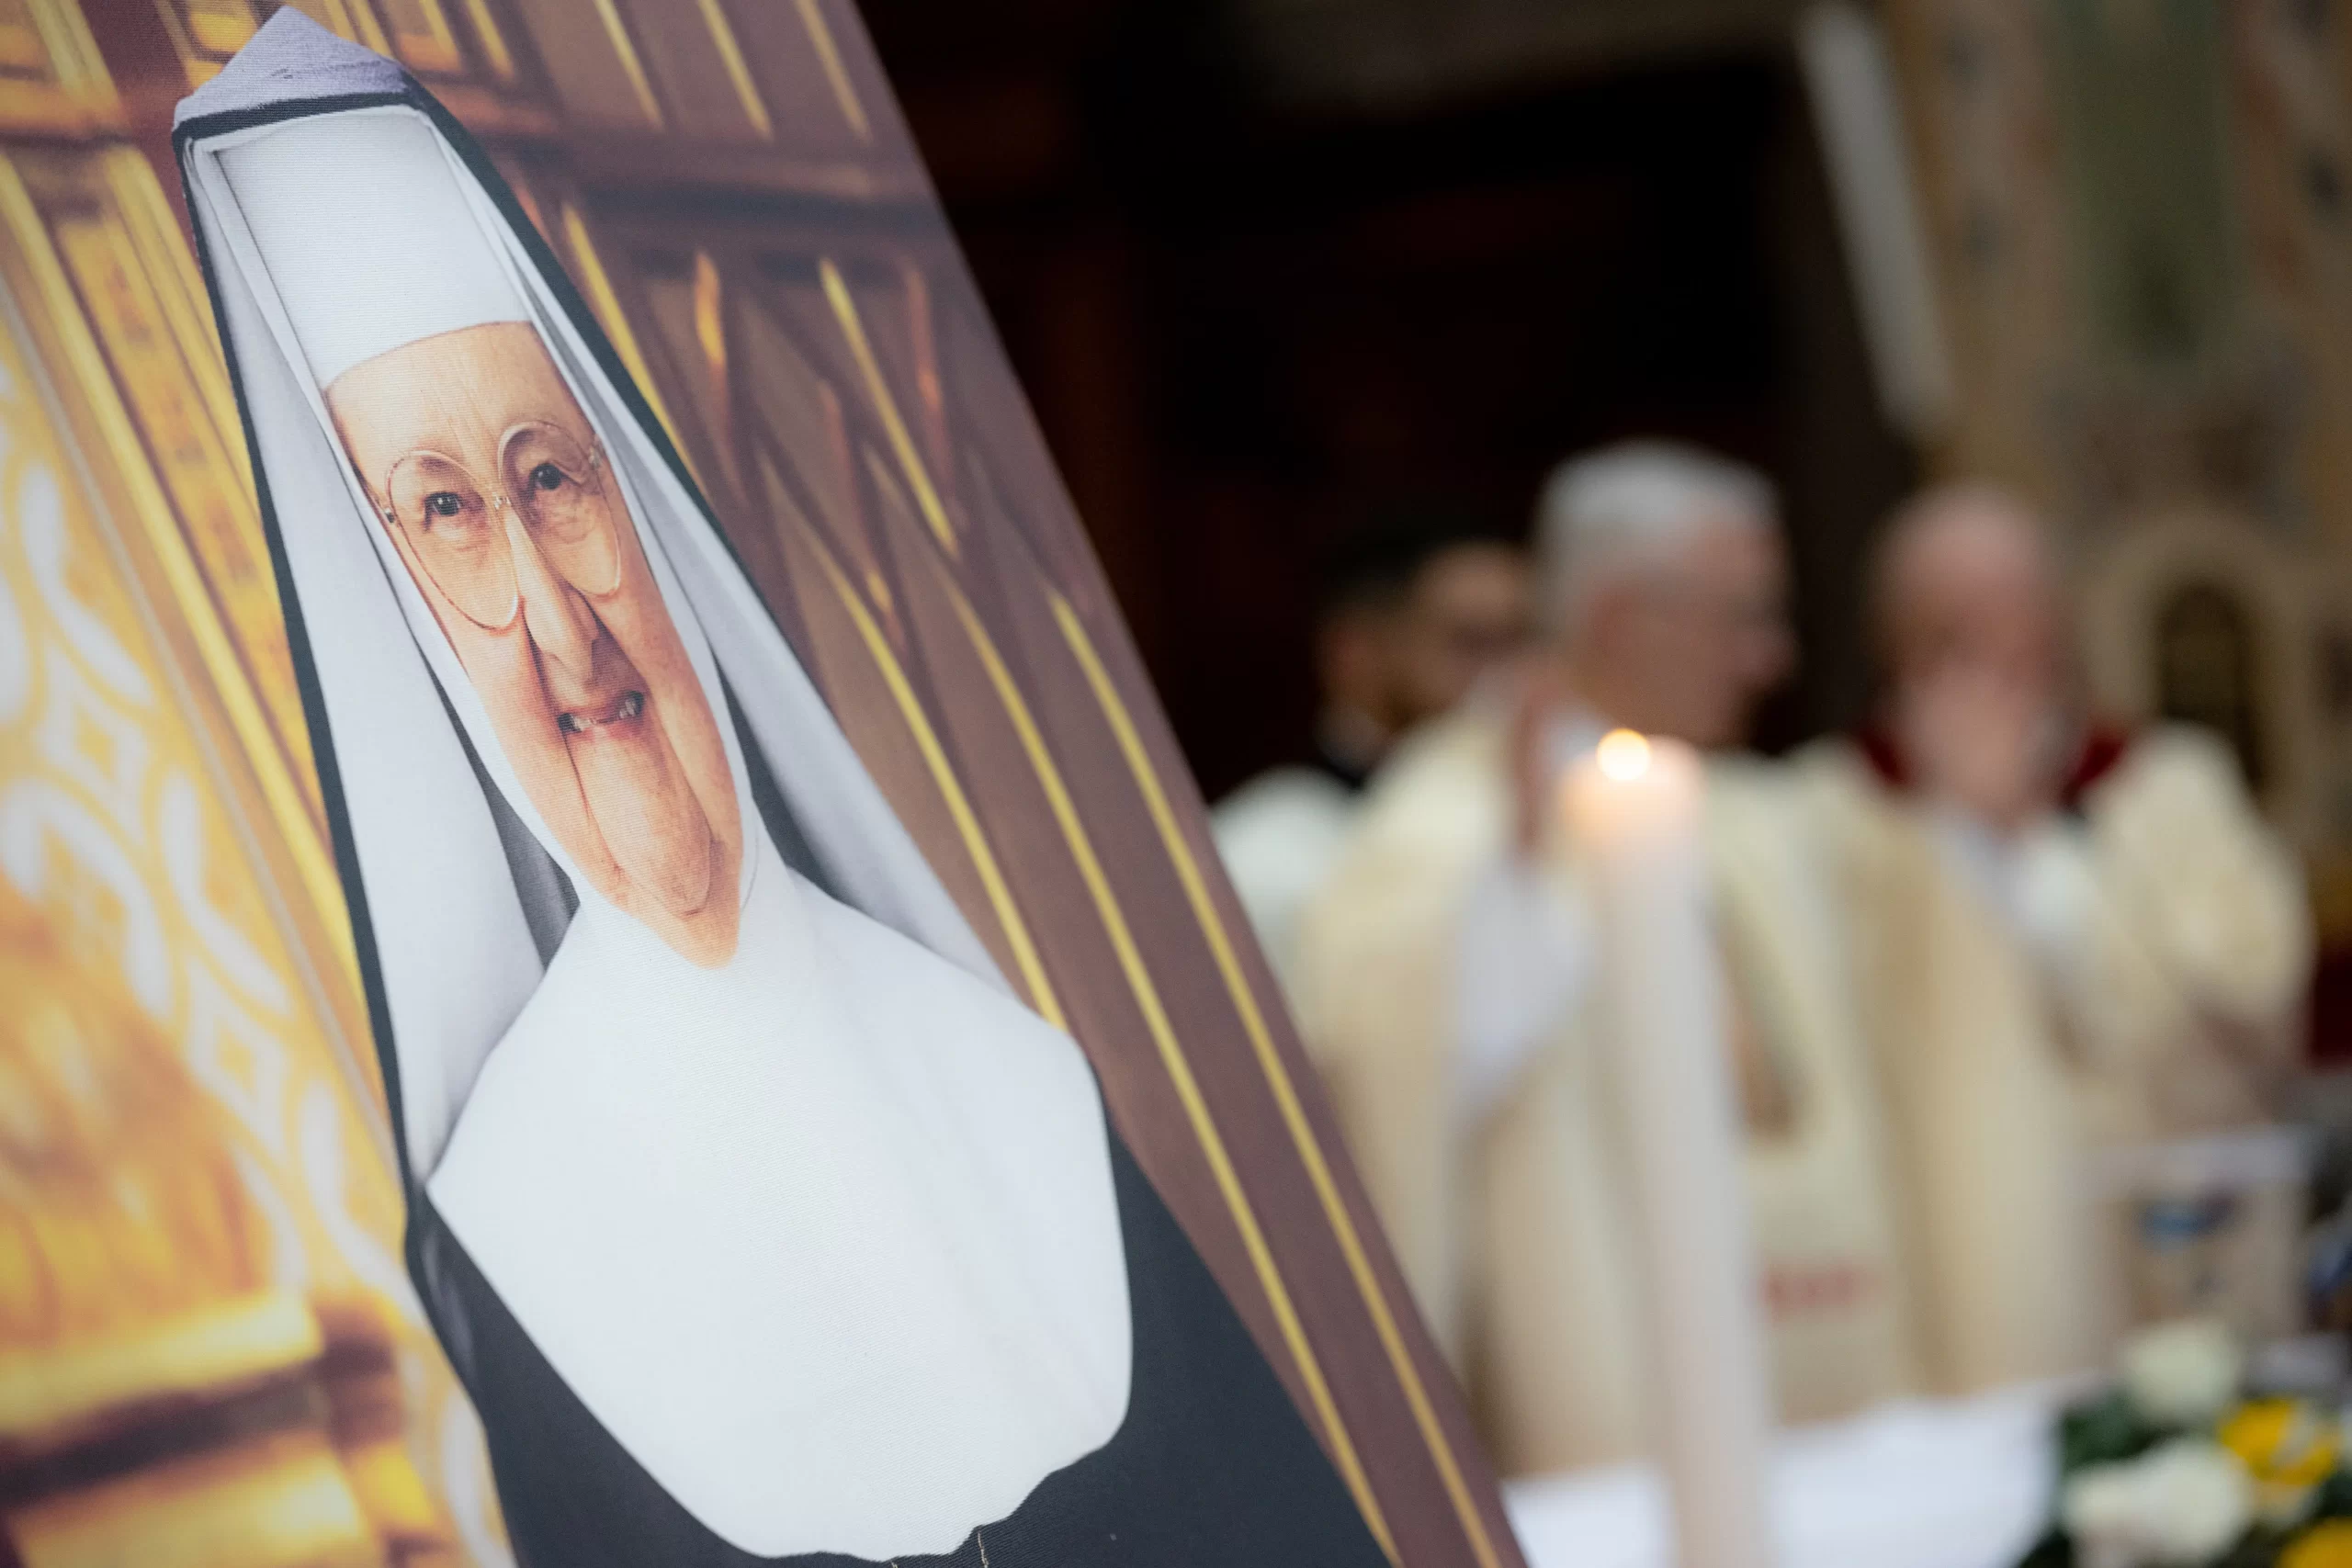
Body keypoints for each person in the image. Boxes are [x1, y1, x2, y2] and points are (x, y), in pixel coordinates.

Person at [177, 22, 1390, 1568]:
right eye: (449, 518)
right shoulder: (513, 1204)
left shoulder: (1000, 1058)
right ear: (406, 633)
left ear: (642, 505)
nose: (563, 627)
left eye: (553, 477)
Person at [1292, 441, 1919, 1476]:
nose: (1771, 659)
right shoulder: (1455, 823)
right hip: (1625, 1398)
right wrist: (1515, 906)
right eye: (1743, 617)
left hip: (1827, 1357)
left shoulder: (1751, 814)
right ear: (1629, 617)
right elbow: (1381, 1070)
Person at [1796, 483, 2312, 1377]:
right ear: (1891, 643)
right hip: (1961, 1285)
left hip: (2174, 1258)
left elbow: (2252, 999)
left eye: (2019, 607)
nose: (1997, 646)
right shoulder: (1826, 818)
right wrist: (1954, 832)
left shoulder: (2168, 786)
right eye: (1951, 625)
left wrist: (2024, 847)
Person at [1213, 514, 1530, 991]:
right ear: (1355, 652)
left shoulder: (1555, 830)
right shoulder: (1265, 850)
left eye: (1521, 643)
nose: (1508, 682)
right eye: (1470, 644)